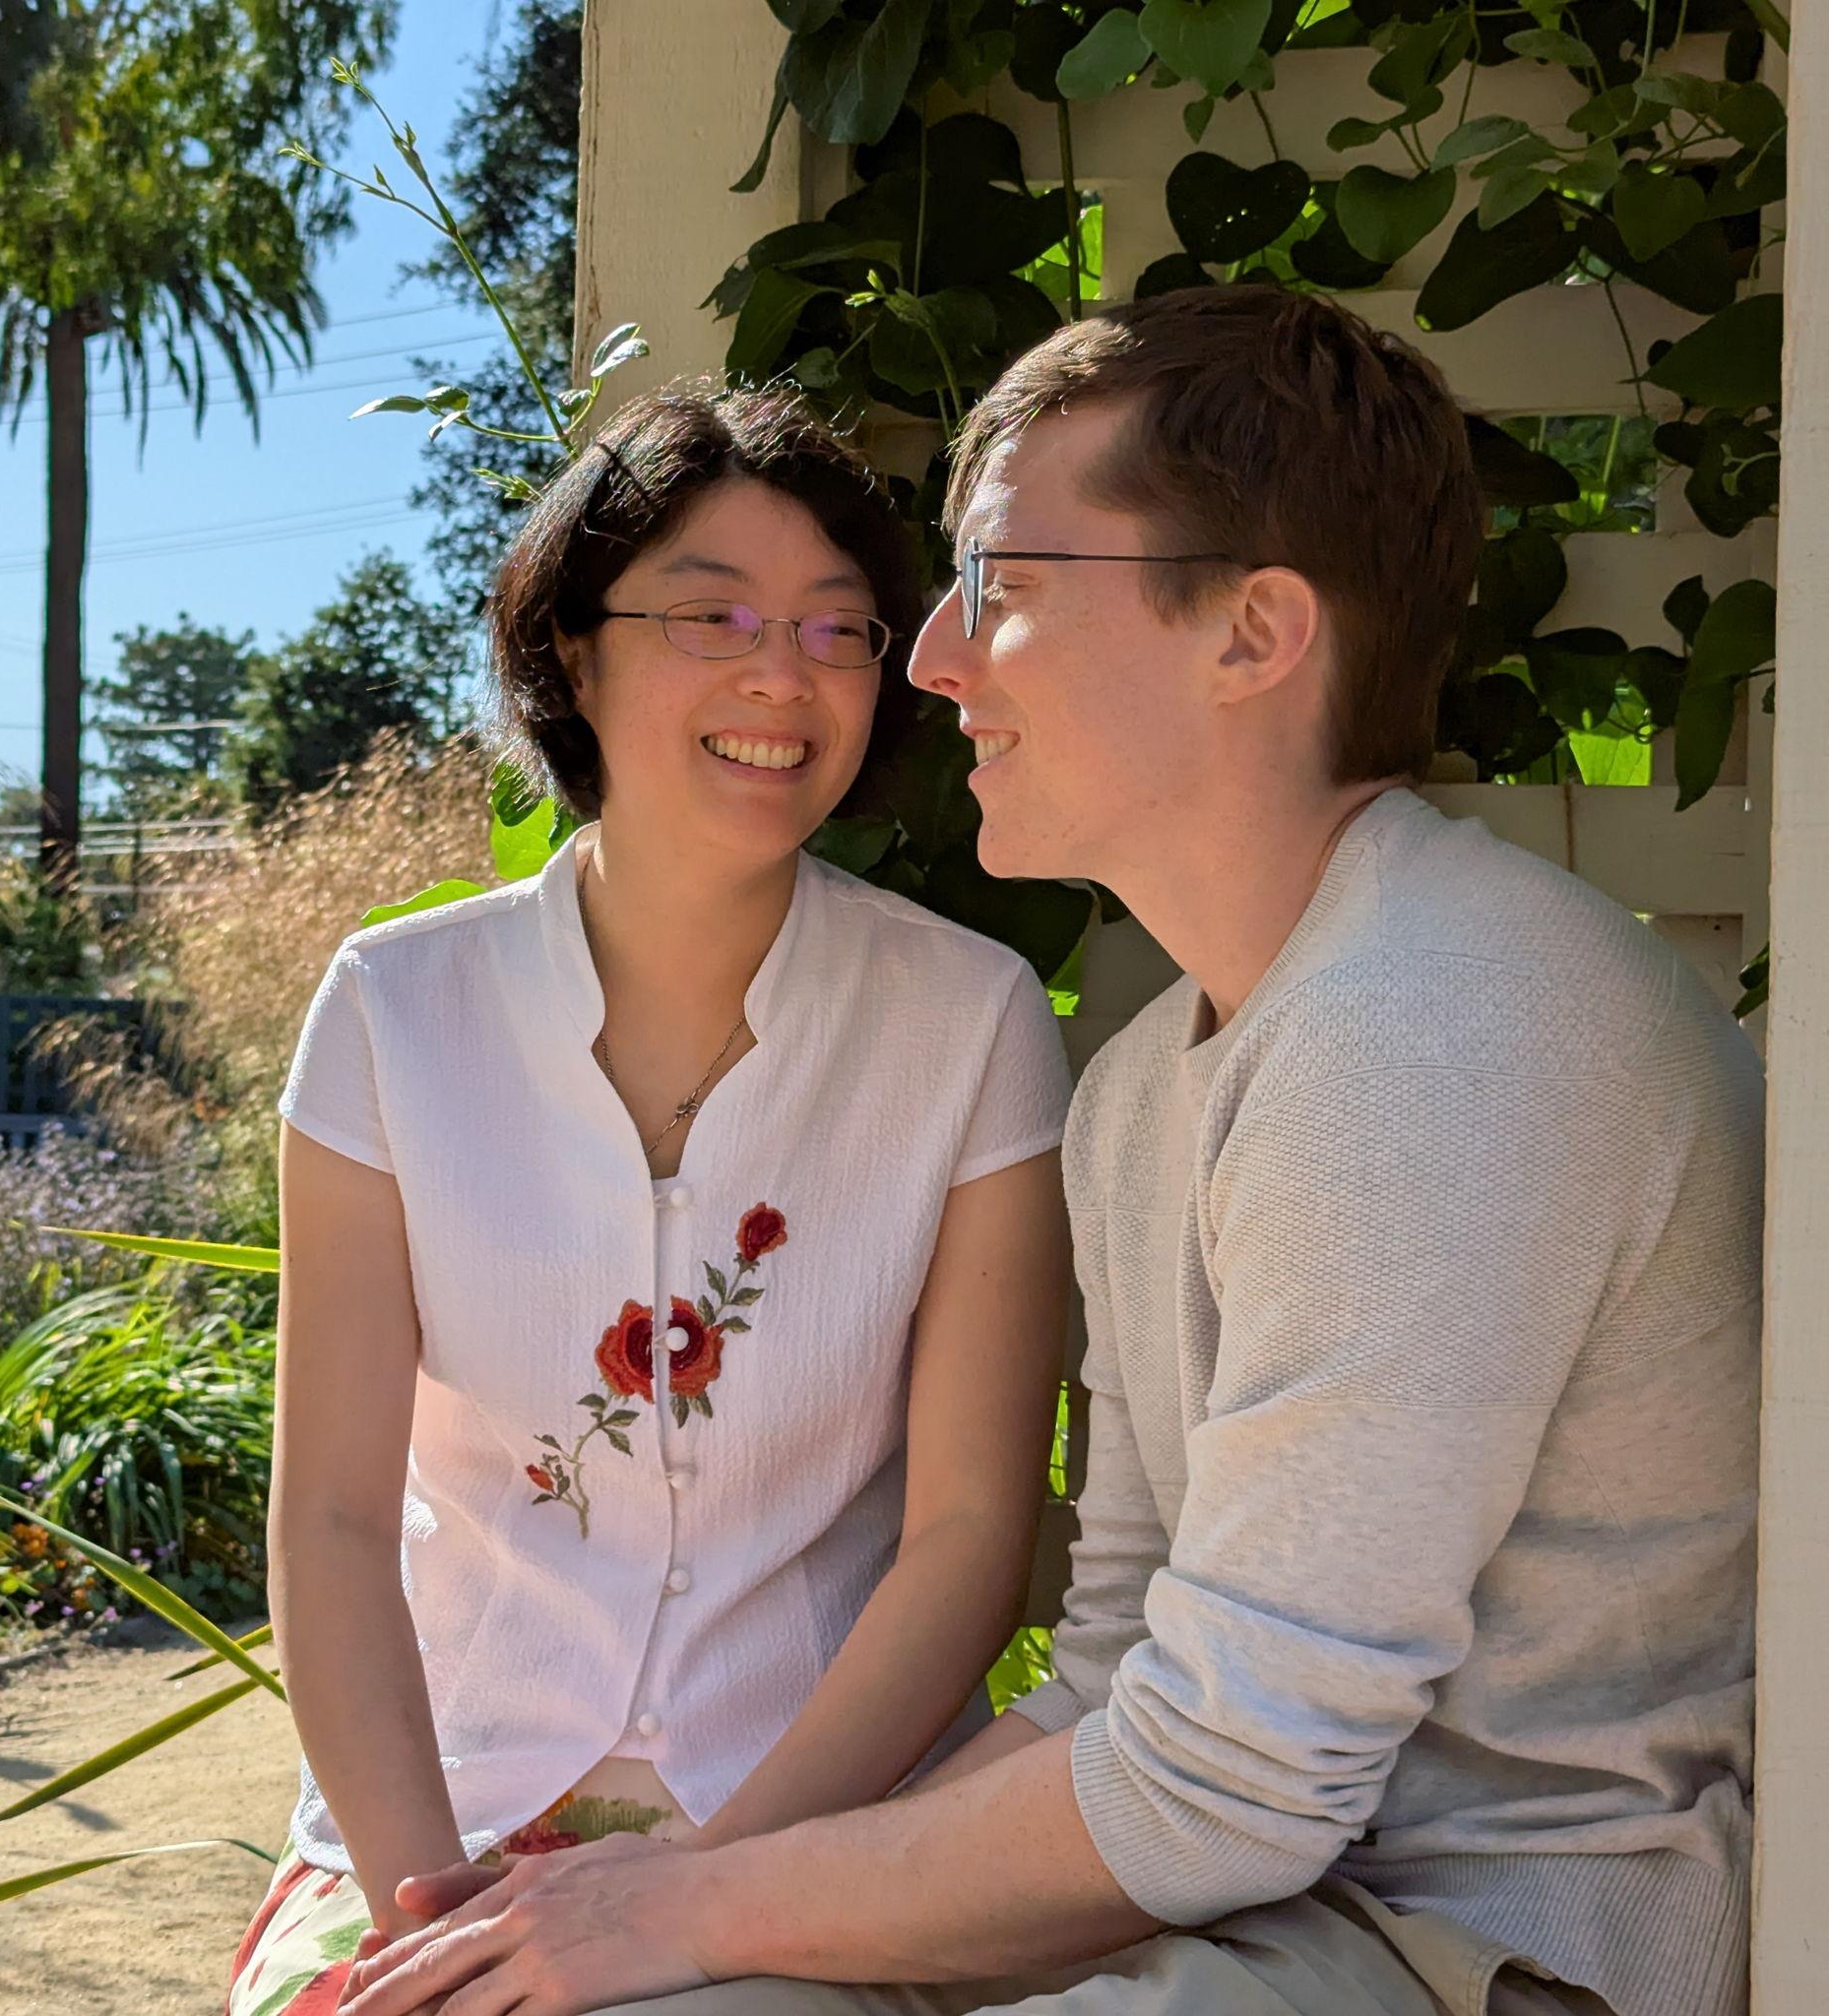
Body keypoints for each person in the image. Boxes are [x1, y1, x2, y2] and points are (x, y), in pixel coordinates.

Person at [335, 287, 1760, 2016]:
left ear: (1254, 632)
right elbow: (1114, 1672)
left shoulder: (1441, 1027)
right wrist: (677, 1908)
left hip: (1478, 1942)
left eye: (1001, 583)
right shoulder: (1155, 1086)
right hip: (1237, 1904)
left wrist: (690, 1907)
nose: (930, 656)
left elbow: (1235, 1777)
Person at [226, 382, 1076, 2016]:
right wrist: (419, 1916)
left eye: (837, 627)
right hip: (447, 1811)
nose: (783, 674)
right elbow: (330, 1518)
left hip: (821, 1820)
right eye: (713, 616)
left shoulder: (970, 1023)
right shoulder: (394, 1011)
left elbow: (973, 1534)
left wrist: (709, 1891)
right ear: (572, 653)